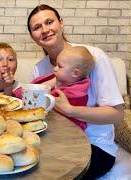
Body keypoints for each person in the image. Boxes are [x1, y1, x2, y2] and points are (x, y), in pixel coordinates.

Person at [27, 4, 124, 179]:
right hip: (56, 143)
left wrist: (72, 110)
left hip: (95, 146)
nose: (45, 30)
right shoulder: (39, 69)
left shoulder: (93, 57)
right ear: (33, 37)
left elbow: (116, 115)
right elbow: (35, 112)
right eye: (37, 27)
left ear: (61, 23)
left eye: (49, 22)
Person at [32, 46, 95, 130]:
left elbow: (40, 97)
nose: (55, 69)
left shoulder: (76, 93)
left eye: (59, 66)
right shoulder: (61, 81)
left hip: (70, 129)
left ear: (75, 73)